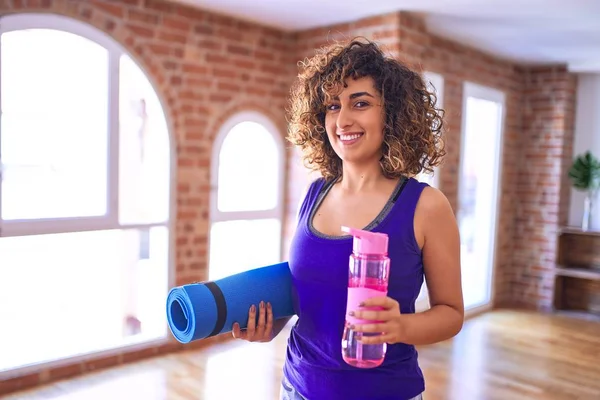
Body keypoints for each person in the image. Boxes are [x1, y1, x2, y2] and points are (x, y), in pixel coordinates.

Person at [231, 37, 464, 400]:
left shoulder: (425, 206)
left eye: (361, 103)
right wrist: (269, 325)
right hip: (297, 388)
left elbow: (451, 313)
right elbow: (307, 293)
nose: (343, 120)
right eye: (332, 106)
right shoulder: (315, 194)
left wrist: (400, 326)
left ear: (393, 114)